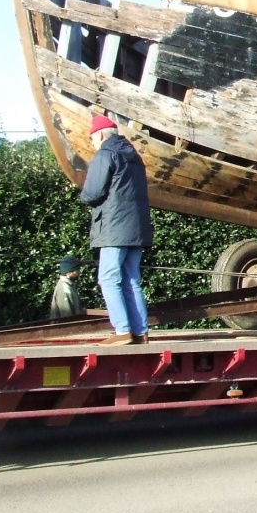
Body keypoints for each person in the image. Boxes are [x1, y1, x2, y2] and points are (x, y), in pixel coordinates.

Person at [80, 115, 153, 345]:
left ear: (100, 135)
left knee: (108, 278)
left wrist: (84, 196)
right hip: (137, 228)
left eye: (92, 139)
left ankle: (122, 330)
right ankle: (141, 331)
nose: (93, 144)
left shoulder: (105, 154)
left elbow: (92, 193)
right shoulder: (135, 157)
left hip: (114, 227)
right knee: (131, 278)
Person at [49, 254, 84, 319]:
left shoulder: (69, 285)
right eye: (77, 270)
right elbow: (67, 316)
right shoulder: (65, 289)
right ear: (69, 272)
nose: (79, 272)